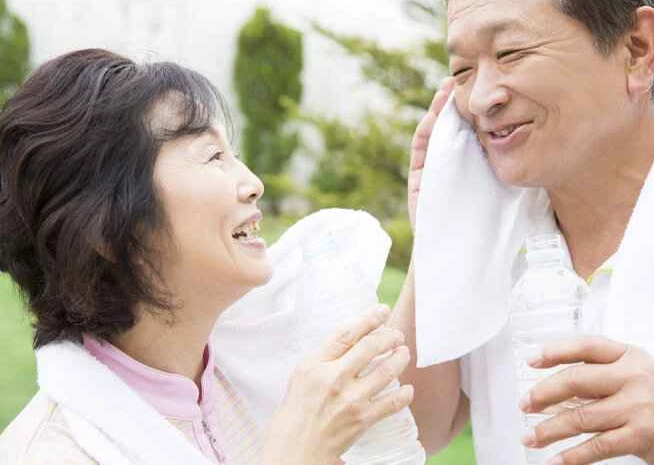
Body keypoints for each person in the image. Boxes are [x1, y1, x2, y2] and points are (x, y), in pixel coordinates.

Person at [389, 0, 654, 464]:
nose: (482, 98)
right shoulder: (490, 231)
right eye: (462, 70)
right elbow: (408, 432)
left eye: (510, 52)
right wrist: (437, 230)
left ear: (636, 49)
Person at [0, 48, 414, 464]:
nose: (253, 184)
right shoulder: (49, 452)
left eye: (234, 155)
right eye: (213, 156)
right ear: (108, 231)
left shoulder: (258, 371)